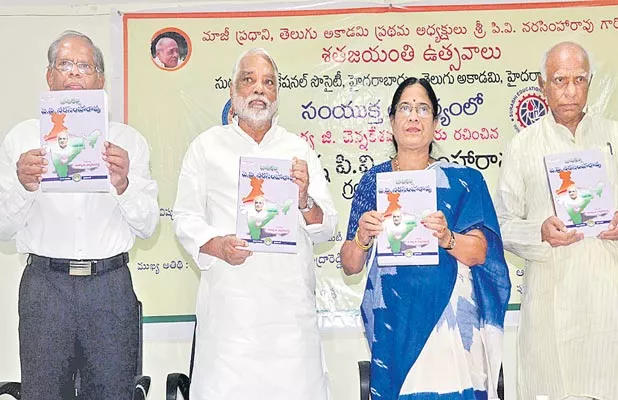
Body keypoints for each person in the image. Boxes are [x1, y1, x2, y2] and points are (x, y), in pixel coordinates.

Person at [0, 30, 159, 400]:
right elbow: (4, 230)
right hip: (45, 287)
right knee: (43, 393)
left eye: (84, 66)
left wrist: (123, 184)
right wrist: (25, 186)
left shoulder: (128, 141)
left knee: (112, 393)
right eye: (65, 65)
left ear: (100, 80)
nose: (74, 74)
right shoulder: (22, 139)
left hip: (109, 287)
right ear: (49, 76)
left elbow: (149, 225)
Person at [172, 47, 337, 400]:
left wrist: (304, 200)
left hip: (290, 320)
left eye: (268, 83)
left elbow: (327, 227)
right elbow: (184, 218)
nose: (259, 89)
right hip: (231, 318)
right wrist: (217, 246)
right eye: (249, 80)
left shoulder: (299, 149)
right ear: (233, 92)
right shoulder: (206, 147)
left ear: (277, 95)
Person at [495, 41, 618, 400]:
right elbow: (501, 222)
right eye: (560, 80)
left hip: (615, 312)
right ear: (542, 84)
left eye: (579, 80)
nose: (570, 90)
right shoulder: (523, 146)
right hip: (553, 311)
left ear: (590, 82)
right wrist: (540, 232)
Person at [340, 77, 510, 400]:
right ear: (391, 121)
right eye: (405, 108)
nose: (413, 116)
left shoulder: (464, 182)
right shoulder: (373, 182)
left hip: (453, 335)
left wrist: (447, 238)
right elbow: (350, 264)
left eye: (422, 109)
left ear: (435, 123)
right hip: (394, 329)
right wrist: (362, 236)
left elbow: (479, 252)